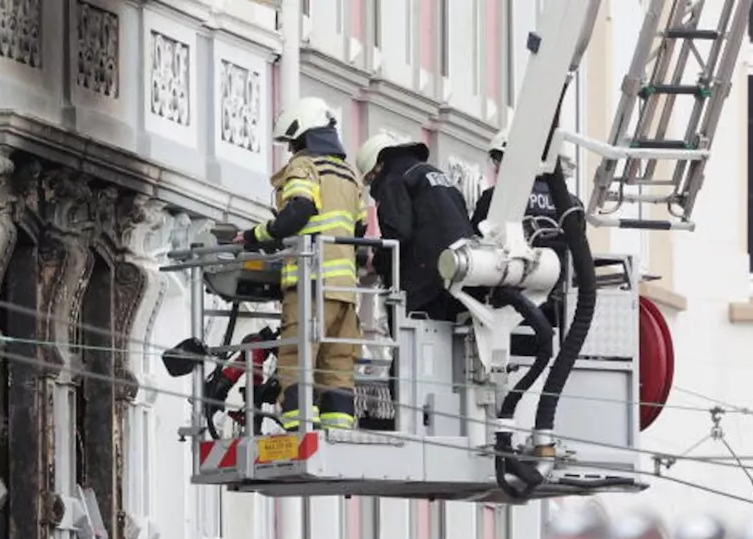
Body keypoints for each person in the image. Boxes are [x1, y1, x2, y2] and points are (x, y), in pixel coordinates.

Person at [236, 97, 365, 432]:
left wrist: (255, 235)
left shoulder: (304, 167)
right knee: (337, 364)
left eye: (292, 143)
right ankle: (337, 434)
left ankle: (299, 430)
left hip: (310, 284)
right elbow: (360, 228)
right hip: (345, 293)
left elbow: (299, 211)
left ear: (302, 136)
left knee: (297, 359)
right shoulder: (350, 175)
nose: (291, 150)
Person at [354, 132, 477, 322]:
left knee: (414, 346)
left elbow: (398, 234)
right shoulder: (434, 174)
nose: (372, 185)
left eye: (370, 179)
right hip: (460, 275)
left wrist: (377, 261)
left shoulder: (393, 180)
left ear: (379, 164)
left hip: (424, 285)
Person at [469, 127, 583, 331]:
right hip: (560, 305)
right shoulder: (573, 204)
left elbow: (476, 248)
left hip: (509, 307)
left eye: (499, 161)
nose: (496, 169)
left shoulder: (495, 199)